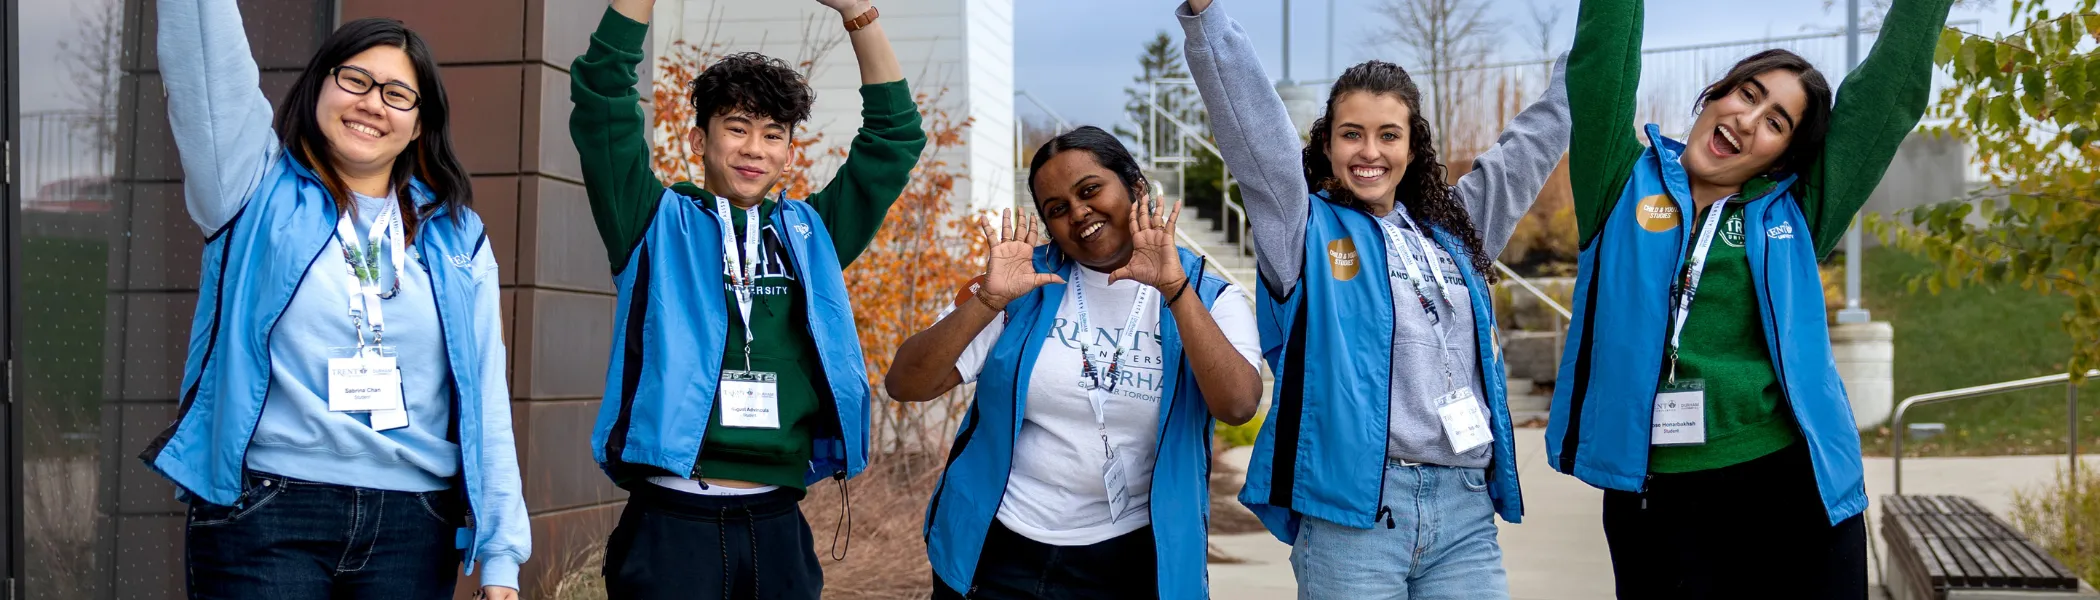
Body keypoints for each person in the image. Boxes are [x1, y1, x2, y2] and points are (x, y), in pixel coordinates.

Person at [1543, 0, 1956, 596]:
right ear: (1714, 96)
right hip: (1653, 496)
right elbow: (1604, 52)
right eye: (1747, 93)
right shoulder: (1617, 180)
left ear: (1784, 156)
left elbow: (1887, 95)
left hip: (1787, 486)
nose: (1748, 118)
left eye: (1776, 122)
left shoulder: (1798, 212)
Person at [138, 0, 530, 597]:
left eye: (399, 94)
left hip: (413, 526)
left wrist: (501, 554)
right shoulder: (250, 187)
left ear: (420, 123)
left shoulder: (455, 234)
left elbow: (486, 398)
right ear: (319, 85)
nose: (373, 102)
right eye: (356, 79)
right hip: (268, 512)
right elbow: (206, 62)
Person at [1180, 0, 1570, 596]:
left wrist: (1599, 45)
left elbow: (1532, 144)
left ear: (1412, 147)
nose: (1370, 152)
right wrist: (1208, 19)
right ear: (1328, 144)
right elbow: (1252, 131)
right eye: (1352, 134)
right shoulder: (1303, 230)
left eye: (1389, 135)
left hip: (1462, 512)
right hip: (1353, 515)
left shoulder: (1456, 229)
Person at [569, 0, 925, 596]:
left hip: (778, 523)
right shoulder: (651, 221)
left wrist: (859, 14)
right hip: (672, 520)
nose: (754, 149)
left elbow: (894, 140)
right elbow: (603, 95)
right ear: (698, 138)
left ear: (788, 150)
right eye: (736, 128)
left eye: (772, 135)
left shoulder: (810, 236)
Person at [892, 127, 1264, 599]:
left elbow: (1237, 405)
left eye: (1090, 190)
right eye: (1057, 209)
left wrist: (1174, 290)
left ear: (1136, 187)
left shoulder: (1210, 294)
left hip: (1129, 559)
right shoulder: (1022, 281)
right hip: (998, 548)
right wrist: (987, 301)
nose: (1078, 213)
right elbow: (906, 383)